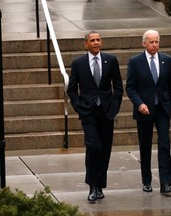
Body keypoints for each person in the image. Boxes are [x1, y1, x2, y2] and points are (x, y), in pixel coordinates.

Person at [67, 31, 123, 202]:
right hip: (88, 112)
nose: (96, 43)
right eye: (93, 40)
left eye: (98, 40)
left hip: (106, 111)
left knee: (105, 149)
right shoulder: (78, 63)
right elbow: (71, 89)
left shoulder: (111, 60)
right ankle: (92, 185)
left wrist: (114, 107)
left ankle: (99, 185)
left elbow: (118, 86)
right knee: (93, 146)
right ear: (86, 44)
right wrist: (79, 107)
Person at [126, 29, 171, 194]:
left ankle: (166, 183)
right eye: (151, 42)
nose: (155, 45)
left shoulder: (167, 60)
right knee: (145, 145)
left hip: (162, 109)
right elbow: (131, 87)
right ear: (144, 43)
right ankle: (146, 181)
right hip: (145, 110)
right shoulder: (135, 62)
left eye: (157, 42)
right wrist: (139, 104)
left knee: (164, 144)